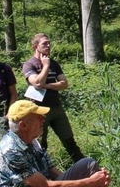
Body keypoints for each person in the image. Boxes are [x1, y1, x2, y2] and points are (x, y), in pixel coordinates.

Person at [22, 34, 84, 162]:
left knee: (69, 140)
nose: (48, 46)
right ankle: (43, 170)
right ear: (35, 46)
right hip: (38, 110)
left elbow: (64, 84)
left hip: (56, 107)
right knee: (40, 144)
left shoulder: (54, 63)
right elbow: (37, 82)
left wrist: (47, 86)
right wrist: (45, 66)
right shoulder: (29, 64)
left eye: (49, 43)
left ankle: (84, 166)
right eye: (44, 44)